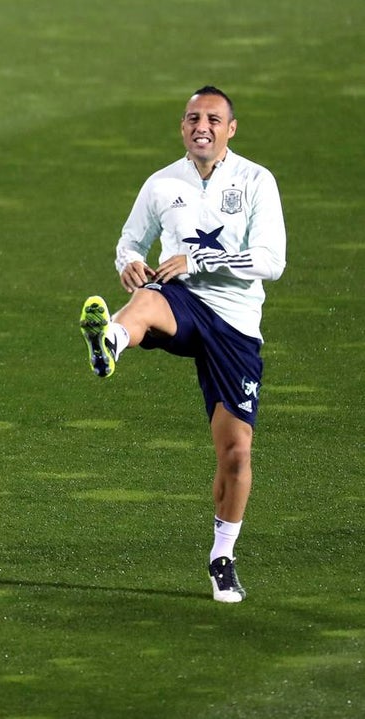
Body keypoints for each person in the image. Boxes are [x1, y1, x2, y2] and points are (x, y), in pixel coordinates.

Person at [79, 86, 285, 602]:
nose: (202, 127)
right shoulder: (161, 183)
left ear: (230, 129)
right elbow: (130, 241)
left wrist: (200, 259)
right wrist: (129, 262)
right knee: (147, 297)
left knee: (236, 452)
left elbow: (271, 261)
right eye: (193, 118)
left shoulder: (256, 180)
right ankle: (109, 341)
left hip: (236, 323)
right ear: (182, 126)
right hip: (183, 304)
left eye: (213, 119)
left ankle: (222, 558)